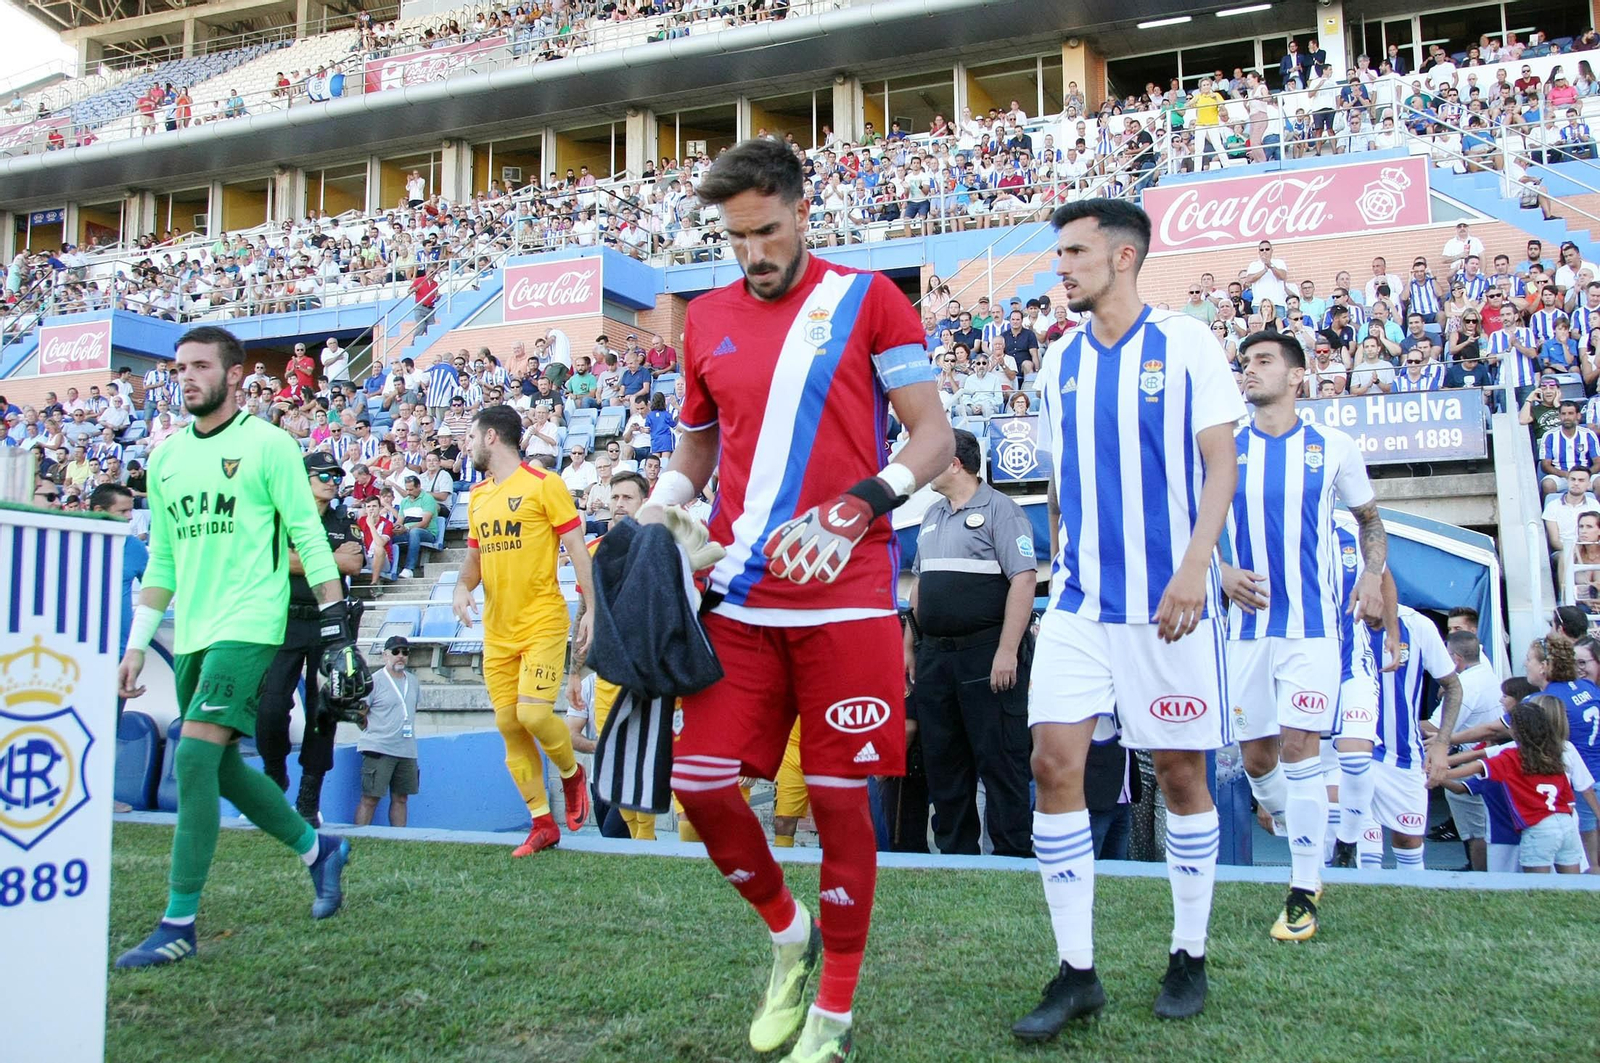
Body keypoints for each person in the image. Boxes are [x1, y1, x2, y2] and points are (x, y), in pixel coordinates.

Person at [636, 138, 952, 1063]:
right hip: (740, 592)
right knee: (699, 783)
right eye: (736, 238)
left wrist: (862, 504)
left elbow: (933, 436)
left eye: (767, 232)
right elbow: (698, 447)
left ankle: (835, 1011)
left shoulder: (869, 297)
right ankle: (788, 932)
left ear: (803, 211)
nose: (752, 253)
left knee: (840, 801)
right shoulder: (705, 318)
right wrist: (658, 508)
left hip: (846, 594)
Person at [1015, 199, 1245, 1042]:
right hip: (1079, 602)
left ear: (1122, 257)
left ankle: (1189, 952)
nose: (1061, 268)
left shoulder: (1185, 343)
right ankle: (1076, 970)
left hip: (1166, 604)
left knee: (1180, 774)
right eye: (1058, 254)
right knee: (1052, 763)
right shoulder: (1059, 360)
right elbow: (1062, 480)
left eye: (1074, 252)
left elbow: (1222, 463)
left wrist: (1195, 568)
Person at [113, 326, 363, 968]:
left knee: (194, 758)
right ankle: (318, 849)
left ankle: (178, 922)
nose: (187, 377)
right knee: (218, 764)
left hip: (251, 623)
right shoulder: (165, 459)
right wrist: (138, 643)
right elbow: (163, 561)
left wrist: (336, 625)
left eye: (200, 366)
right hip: (193, 632)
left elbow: (309, 537)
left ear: (234, 375)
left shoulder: (269, 445)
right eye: (180, 367)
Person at [1220, 330, 1388, 940]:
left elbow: (1370, 521)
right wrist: (1221, 570)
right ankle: (1306, 837)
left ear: (1297, 376)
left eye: (1263, 361)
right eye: (1245, 362)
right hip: (1244, 628)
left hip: (1312, 627)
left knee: (1300, 749)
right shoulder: (1222, 446)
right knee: (1257, 758)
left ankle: (1302, 888)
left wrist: (1372, 575)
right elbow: (1187, 521)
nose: (1250, 370)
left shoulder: (1333, 446)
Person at [453, 404, 594, 857]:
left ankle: (572, 774)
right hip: (497, 630)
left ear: (491, 436)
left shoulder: (544, 484)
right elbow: (474, 560)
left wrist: (591, 608)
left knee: (534, 716)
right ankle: (542, 823)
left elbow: (577, 549)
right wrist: (461, 587)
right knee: (509, 724)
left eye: (471, 437)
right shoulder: (478, 495)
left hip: (542, 621)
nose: (466, 446)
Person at [904, 429, 1037, 857]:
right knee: (944, 762)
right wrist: (910, 645)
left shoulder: (1003, 511)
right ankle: (956, 858)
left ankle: (1013, 857)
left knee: (1001, 762)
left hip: (986, 654)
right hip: (935, 658)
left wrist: (1007, 650)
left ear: (955, 463)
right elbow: (920, 585)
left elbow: (1024, 580)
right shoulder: (931, 515)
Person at [256, 451, 365, 824]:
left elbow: (354, 564)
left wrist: (298, 557)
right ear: (303, 479)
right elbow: (271, 558)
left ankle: (308, 798)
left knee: (324, 712)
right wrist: (329, 557)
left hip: (328, 623)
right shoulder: (280, 514)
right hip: (283, 620)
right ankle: (274, 773)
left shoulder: (343, 520)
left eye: (336, 476)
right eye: (324, 475)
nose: (332, 481)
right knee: (270, 707)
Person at [563, 471, 657, 840]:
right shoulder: (592, 551)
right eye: (615, 497)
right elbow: (583, 613)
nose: (619, 504)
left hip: (647, 675)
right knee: (617, 764)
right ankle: (639, 846)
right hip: (606, 677)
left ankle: (649, 844)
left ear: (644, 502)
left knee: (645, 763)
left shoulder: (658, 546)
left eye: (627, 498)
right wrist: (574, 673)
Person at [1362, 604, 1462, 871]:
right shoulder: (1338, 616)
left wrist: (1441, 744)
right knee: (1364, 846)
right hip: (1351, 753)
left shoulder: (1417, 625)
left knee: (1409, 840)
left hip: (1403, 754)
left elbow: (1453, 687)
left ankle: (1411, 894)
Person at [1441, 696, 1585, 873]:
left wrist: (1439, 774)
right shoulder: (1554, 755)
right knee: (1572, 883)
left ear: (1516, 731)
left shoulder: (1510, 756)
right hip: (1566, 824)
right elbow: (1569, 800)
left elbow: (1475, 767)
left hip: (1538, 826)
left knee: (1536, 884)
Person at [356, 636, 420, 827]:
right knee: (370, 798)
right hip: (379, 748)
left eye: (405, 652)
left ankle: (399, 838)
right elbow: (360, 713)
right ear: (385, 655)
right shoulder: (373, 680)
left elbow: (411, 709)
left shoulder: (413, 681)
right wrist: (375, 732)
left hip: (406, 749)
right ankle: (359, 836)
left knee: (401, 798)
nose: (400, 656)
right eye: (396, 652)